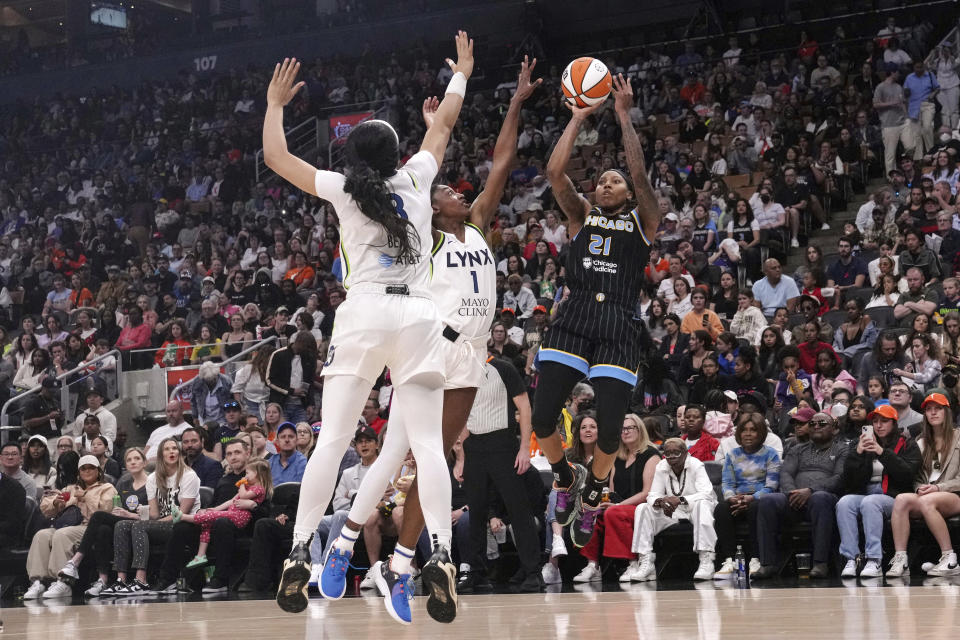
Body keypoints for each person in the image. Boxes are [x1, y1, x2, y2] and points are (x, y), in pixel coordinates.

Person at [265, 36, 474, 616]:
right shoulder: (417, 178)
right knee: (429, 446)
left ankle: (300, 552)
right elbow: (444, 128)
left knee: (331, 442)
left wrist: (276, 105)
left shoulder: (342, 187)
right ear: (395, 153)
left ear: (352, 158)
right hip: (419, 316)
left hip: (364, 313)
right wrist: (461, 75)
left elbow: (279, 159)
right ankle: (443, 555)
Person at [522, 74, 661, 565]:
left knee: (607, 430)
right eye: (602, 179)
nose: (607, 182)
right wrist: (578, 116)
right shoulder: (581, 215)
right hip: (574, 316)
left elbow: (642, 178)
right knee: (541, 420)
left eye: (614, 180)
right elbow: (555, 171)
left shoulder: (643, 221)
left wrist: (622, 116)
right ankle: (566, 478)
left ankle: (597, 488)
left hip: (620, 323)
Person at [450, 356, 540, 591]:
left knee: (518, 510)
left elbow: (524, 407)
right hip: (474, 447)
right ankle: (477, 572)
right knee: (476, 512)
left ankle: (533, 571)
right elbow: (462, 415)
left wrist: (524, 448)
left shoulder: (504, 368)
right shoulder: (461, 370)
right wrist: (462, 459)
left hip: (503, 443)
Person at [753, 411, 847, 579]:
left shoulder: (842, 449)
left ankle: (820, 563)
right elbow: (786, 473)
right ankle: (767, 564)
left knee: (821, 498)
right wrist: (791, 493)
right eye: (812, 424)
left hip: (823, 499)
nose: (816, 426)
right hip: (794, 497)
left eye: (822, 423)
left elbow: (840, 478)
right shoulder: (797, 449)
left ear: (834, 429)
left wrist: (810, 491)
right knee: (767, 500)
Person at [837, 404, 920, 578]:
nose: (879, 425)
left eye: (884, 421)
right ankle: (852, 558)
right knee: (844, 503)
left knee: (871, 501)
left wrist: (882, 452)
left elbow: (907, 475)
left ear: (894, 423)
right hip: (867, 494)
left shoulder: (907, 444)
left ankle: (874, 560)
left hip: (894, 497)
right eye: (875, 421)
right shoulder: (861, 443)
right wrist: (858, 453)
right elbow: (849, 481)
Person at [574, 415, 661, 583]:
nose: (625, 432)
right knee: (588, 512)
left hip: (644, 507)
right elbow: (611, 490)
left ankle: (633, 562)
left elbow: (647, 492)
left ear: (640, 430)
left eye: (630, 428)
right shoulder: (617, 457)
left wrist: (617, 505)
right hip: (619, 504)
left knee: (614, 513)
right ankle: (593, 565)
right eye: (622, 429)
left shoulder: (652, 455)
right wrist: (608, 503)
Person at [109, 438, 200, 595]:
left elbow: (181, 513)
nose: (171, 451)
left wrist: (149, 522)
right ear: (160, 455)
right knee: (122, 525)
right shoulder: (153, 478)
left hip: (184, 525)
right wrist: (139, 514)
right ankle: (121, 580)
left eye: (174, 448)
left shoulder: (189, 475)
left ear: (179, 453)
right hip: (161, 524)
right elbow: (155, 514)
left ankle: (141, 580)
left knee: (140, 526)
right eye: (167, 449)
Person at [54, 447, 150, 597]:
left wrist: (129, 515)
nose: (133, 462)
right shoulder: (123, 483)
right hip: (119, 521)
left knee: (99, 517)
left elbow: (154, 514)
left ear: (145, 462)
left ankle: (75, 561)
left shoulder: (151, 482)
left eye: (137, 458)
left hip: (139, 521)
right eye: (129, 459)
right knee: (102, 529)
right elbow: (117, 508)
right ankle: (103, 580)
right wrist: (56, 503)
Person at [22, 454, 117, 599]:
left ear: (99, 470)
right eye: (83, 469)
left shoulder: (107, 487)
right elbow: (45, 508)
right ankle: (38, 582)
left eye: (91, 468)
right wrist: (56, 503)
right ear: (79, 472)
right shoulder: (71, 488)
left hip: (89, 527)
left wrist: (85, 496)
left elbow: (105, 510)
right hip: (67, 524)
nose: (87, 471)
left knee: (62, 535)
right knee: (41, 535)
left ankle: (63, 581)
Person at [886, 392, 960, 577]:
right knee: (902, 499)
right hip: (927, 494)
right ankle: (901, 559)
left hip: (954, 494)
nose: (933, 413)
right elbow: (917, 476)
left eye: (938, 409)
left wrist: (938, 488)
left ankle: (949, 559)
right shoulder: (920, 441)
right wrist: (919, 487)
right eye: (929, 409)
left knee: (928, 501)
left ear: (947, 413)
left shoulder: (958, 437)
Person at [630, 437, 718, 581]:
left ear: (685, 453)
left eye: (676, 452)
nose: (671, 456)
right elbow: (653, 495)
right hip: (674, 510)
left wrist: (681, 499)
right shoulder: (661, 466)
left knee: (702, 505)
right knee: (643, 508)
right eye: (667, 453)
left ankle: (706, 560)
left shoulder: (696, 464)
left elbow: (707, 493)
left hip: (696, 506)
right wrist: (661, 502)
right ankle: (646, 561)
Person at [713, 413, 780, 578]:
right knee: (721, 509)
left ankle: (756, 558)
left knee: (756, 508)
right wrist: (731, 498)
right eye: (744, 430)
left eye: (753, 430)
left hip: (760, 498)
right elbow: (727, 483)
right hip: (737, 498)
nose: (748, 434)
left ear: (761, 433)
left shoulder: (770, 454)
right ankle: (729, 560)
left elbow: (771, 485)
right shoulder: (732, 455)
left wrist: (752, 497)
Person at [178, 459, 272, 569]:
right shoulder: (248, 488)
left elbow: (243, 496)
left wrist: (242, 483)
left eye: (247, 473)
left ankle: (183, 517)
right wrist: (216, 509)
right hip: (232, 512)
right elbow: (231, 501)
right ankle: (201, 555)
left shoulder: (259, 488)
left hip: (241, 517)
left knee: (210, 517)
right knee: (206, 524)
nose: (245, 476)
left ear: (257, 474)